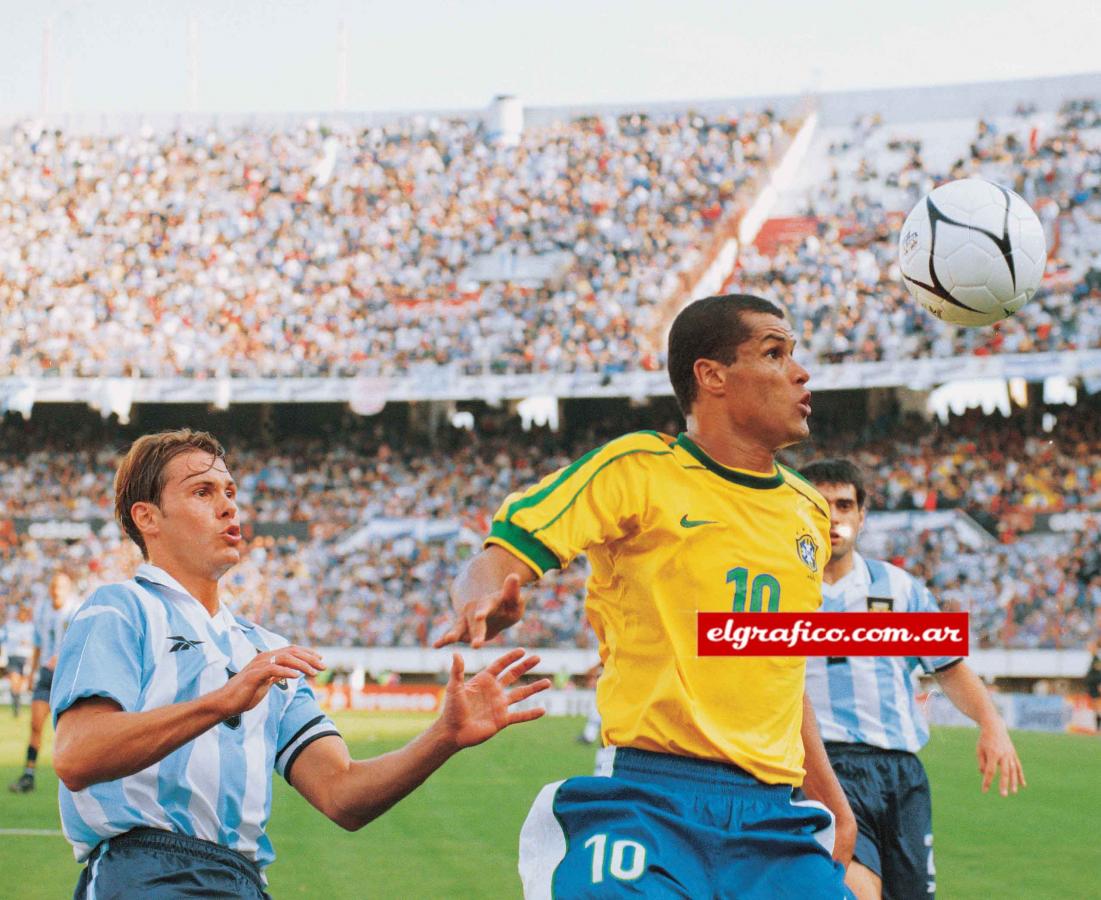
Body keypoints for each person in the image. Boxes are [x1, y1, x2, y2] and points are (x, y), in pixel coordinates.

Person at [436, 294, 856, 898]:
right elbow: (502, 553)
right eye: (774, 352)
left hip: (774, 819)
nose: (800, 371)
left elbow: (782, 676)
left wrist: (830, 798)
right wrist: (479, 597)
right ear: (711, 375)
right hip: (648, 799)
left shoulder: (808, 511)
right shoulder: (638, 468)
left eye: (794, 354)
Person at [51, 429, 550, 898]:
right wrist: (221, 701)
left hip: (242, 879)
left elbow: (342, 794)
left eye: (230, 491)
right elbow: (77, 755)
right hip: (145, 874)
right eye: (203, 492)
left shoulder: (263, 649)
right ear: (148, 518)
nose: (228, 506)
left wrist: (442, 737)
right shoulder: (119, 609)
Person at [800, 458, 1025, 900]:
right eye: (821, 505)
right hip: (826, 767)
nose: (833, 516)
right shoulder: (782, 590)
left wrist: (992, 724)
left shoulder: (899, 588)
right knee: (856, 892)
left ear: (861, 516)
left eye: (844, 505)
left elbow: (949, 666)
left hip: (901, 774)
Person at [9, 573, 78, 793]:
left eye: (60, 586)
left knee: (69, 730)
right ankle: (28, 776)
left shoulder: (75, 610)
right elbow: (38, 643)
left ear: (68, 589)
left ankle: (76, 777)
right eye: (54, 585)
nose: (56, 589)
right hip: (46, 675)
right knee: (36, 724)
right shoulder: (42, 610)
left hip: (68, 675)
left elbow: (81, 642)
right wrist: (31, 672)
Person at [1, 604, 34, 718]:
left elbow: (36, 644)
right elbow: (2, 639)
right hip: (13, 657)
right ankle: (17, 710)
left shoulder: (31, 627)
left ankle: (18, 705)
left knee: (20, 686)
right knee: (14, 683)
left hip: (26, 658)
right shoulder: (10, 625)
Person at [1085, 640, 1101, 733]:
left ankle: (1098, 729)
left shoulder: (1096, 660)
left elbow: (1099, 674)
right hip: (1092, 688)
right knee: (1096, 709)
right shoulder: (1093, 659)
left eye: (1091, 647)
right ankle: (1097, 728)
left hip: (1096, 689)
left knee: (1098, 708)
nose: (1089, 649)